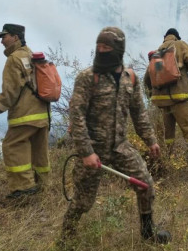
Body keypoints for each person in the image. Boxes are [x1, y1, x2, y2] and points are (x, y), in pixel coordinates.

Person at [62, 27, 170, 245]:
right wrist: (86, 152)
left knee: (145, 185)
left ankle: (148, 233)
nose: (101, 51)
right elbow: (77, 116)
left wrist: (151, 140)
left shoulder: (129, 78)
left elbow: (139, 112)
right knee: (83, 202)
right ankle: (66, 238)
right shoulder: (87, 77)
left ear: (118, 49)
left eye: (107, 47)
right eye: (98, 47)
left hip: (121, 147)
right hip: (93, 150)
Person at [0, 24, 51, 199]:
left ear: (16, 37)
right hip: (43, 114)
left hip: (25, 115)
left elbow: (9, 94)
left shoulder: (14, 59)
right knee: (38, 151)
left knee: (12, 146)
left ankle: (23, 190)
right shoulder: (31, 55)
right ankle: (43, 186)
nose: (2, 41)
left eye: (5, 36)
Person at [144, 28, 188, 173]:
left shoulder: (156, 53)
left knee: (167, 134)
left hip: (162, 103)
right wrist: (183, 68)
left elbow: (147, 79)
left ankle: (166, 160)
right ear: (176, 37)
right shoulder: (180, 45)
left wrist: (151, 96)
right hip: (180, 100)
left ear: (164, 38)